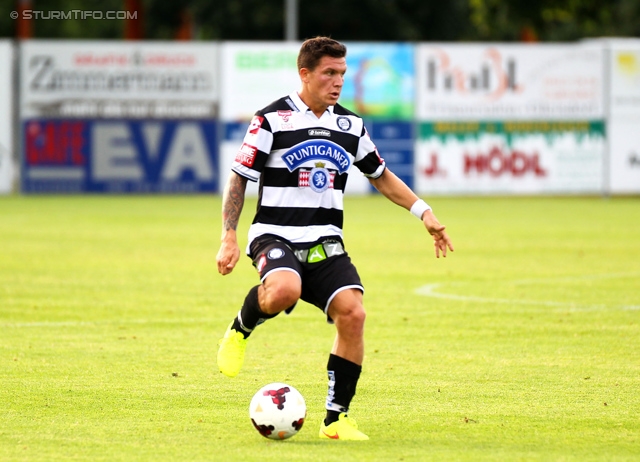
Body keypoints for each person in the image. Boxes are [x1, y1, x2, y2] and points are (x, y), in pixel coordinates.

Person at [216, 36, 454, 441]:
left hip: (326, 241)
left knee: (353, 314)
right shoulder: (271, 119)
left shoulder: (350, 125)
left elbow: (381, 176)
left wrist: (423, 212)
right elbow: (240, 177)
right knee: (284, 289)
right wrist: (229, 236)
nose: (338, 81)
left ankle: (336, 419)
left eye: (342, 73)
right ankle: (241, 326)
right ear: (305, 74)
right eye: (329, 72)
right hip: (276, 233)